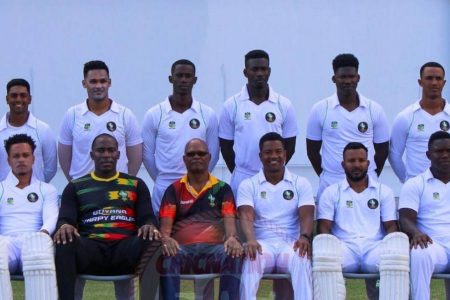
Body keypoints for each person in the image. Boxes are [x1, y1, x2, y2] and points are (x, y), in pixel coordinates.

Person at [54, 133, 159, 300]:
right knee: (64, 240)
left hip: (125, 250)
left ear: (118, 154)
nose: (106, 155)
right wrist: (65, 225)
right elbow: (66, 218)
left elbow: (147, 216)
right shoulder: (75, 186)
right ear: (91, 155)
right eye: (100, 150)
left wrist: (148, 224)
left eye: (111, 150)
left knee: (152, 238)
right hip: (90, 250)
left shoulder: (136, 184)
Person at [314, 142, 409, 300]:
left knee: (394, 258)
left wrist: (388, 248)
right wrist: (331, 248)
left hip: (374, 248)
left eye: (361, 160)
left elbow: (391, 226)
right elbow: (323, 228)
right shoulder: (331, 192)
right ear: (343, 164)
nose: (356, 165)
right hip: (344, 248)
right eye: (351, 161)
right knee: (326, 258)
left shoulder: (383, 191)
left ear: (368, 163)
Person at [159, 138, 242, 299]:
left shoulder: (222, 188)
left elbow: (229, 219)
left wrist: (232, 238)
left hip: (214, 251)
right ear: (184, 159)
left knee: (234, 253)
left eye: (201, 153)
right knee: (166, 254)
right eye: (191, 154)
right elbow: (165, 229)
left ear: (209, 157)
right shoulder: (174, 189)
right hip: (182, 251)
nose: (196, 157)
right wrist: (165, 239)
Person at [237, 132, 314, 300]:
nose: (273, 156)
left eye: (278, 151)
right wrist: (250, 238)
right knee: (252, 257)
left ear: (285, 154)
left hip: (291, 244)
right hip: (263, 245)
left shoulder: (300, 182)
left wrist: (304, 237)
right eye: (268, 152)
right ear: (260, 156)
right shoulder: (249, 184)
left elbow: (307, 215)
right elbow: (245, 214)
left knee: (302, 257)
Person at [306, 53, 389, 199]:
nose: (348, 81)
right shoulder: (320, 109)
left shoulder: (374, 109)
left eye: (351, 77)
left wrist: (367, 173)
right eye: (342, 77)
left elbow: (382, 151)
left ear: (358, 78)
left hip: (366, 182)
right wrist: (328, 173)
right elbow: (312, 151)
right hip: (331, 181)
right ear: (334, 79)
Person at [142, 59, 219, 214]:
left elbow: (213, 154)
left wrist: (197, 178)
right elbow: (147, 155)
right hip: (165, 185)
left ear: (194, 80)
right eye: (179, 75)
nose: (183, 80)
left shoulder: (207, 114)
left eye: (188, 76)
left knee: (194, 232)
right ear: (171, 78)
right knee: (164, 234)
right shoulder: (154, 114)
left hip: (197, 185)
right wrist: (162, 178)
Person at [219, 49, 298, 195]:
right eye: (254, 69)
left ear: (269, 71)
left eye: (263, 69)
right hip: (243, 177)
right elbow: (226, 147)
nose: (259, 73)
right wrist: (240, 170)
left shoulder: (284, 104)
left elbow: (290, 146)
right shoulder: (231, 105)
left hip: (274, 177)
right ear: (245, 72)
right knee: (243, 218)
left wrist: (274, 169)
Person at [58, 60, 142, 181]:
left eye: (103, 81)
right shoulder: (72, 115)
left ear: (109, 82)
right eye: (93, 81)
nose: (98, 86)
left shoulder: (125, 115)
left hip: (117, 188)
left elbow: (136, 158)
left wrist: (124, 182)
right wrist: (75, 183)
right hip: (83, 188)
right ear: (84, 83)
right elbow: (64, 158)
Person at [0, 134, 59, 299]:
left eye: (25, 155)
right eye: (16, 156)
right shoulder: (1, 188)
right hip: (6, 243)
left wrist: (43, 234)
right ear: (8, 160)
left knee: (38, 248)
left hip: (35, 240)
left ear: (33, 158)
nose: (21, 160)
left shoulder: (47, 189)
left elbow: (51, 217)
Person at [399, 131, 450, 299]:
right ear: (429, 154)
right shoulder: (415, 184)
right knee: (420, 251)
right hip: (433, 244)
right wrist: (416, 233)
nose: (444, 155)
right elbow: (405, 218)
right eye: (439, 151)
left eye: (449, 150)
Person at [390, 62, 448, 182]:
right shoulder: (406, 117)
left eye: (438, 78)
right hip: (417, 190)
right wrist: (408, 181)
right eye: (429, 78)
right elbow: (394, 155)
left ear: (444, 83)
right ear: (420, 82)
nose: (434, 83)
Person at [0, 79, 57, 182]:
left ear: (30, 99)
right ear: (7, 99)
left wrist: (36, 186)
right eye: (14, 95)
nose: (18, 99)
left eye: (23, 95)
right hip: (3, 196)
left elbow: (51, 168)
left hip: (35, 196)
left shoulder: (43, 130)